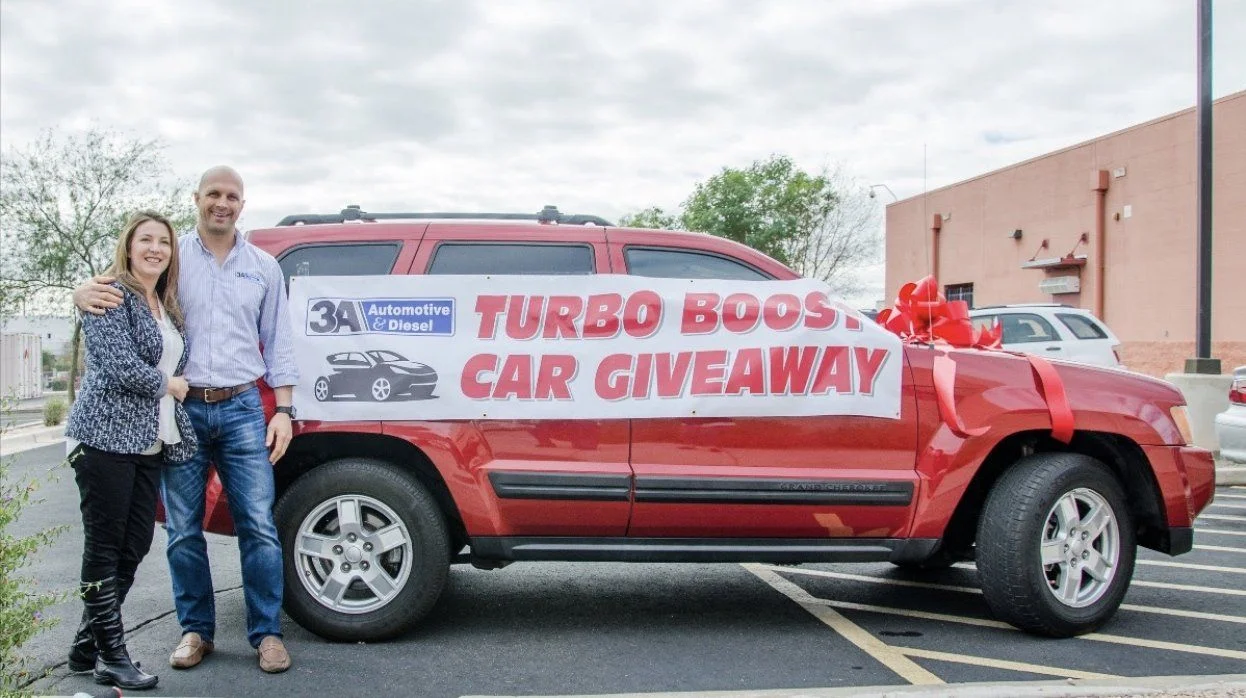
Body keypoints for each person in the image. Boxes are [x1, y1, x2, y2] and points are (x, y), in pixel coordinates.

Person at [74, 166, 299, 674]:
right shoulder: (175, 261)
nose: (223, 203)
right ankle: (195, 630)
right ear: (197, 199)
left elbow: (279, 342)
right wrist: (79, 293)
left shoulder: (264, 267)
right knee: (182, 528)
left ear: (243, 203)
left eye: (232, 196)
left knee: (259, 526)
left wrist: (284, 410)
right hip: (182, 409)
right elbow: (126, 286)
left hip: (243, 406)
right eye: (214, 194)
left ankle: (266, 634)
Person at [65, 211, 198, 691]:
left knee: (136, 544)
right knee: (104, 549)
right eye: (146, 240)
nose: (156, 249)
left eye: (164, 242)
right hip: (103, 439)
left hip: (150, 441)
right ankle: (111, 657)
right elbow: (118, 366)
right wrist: (172, 384)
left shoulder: (166, 303)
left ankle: (87, 645)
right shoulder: (108, 293)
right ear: (129, 245)